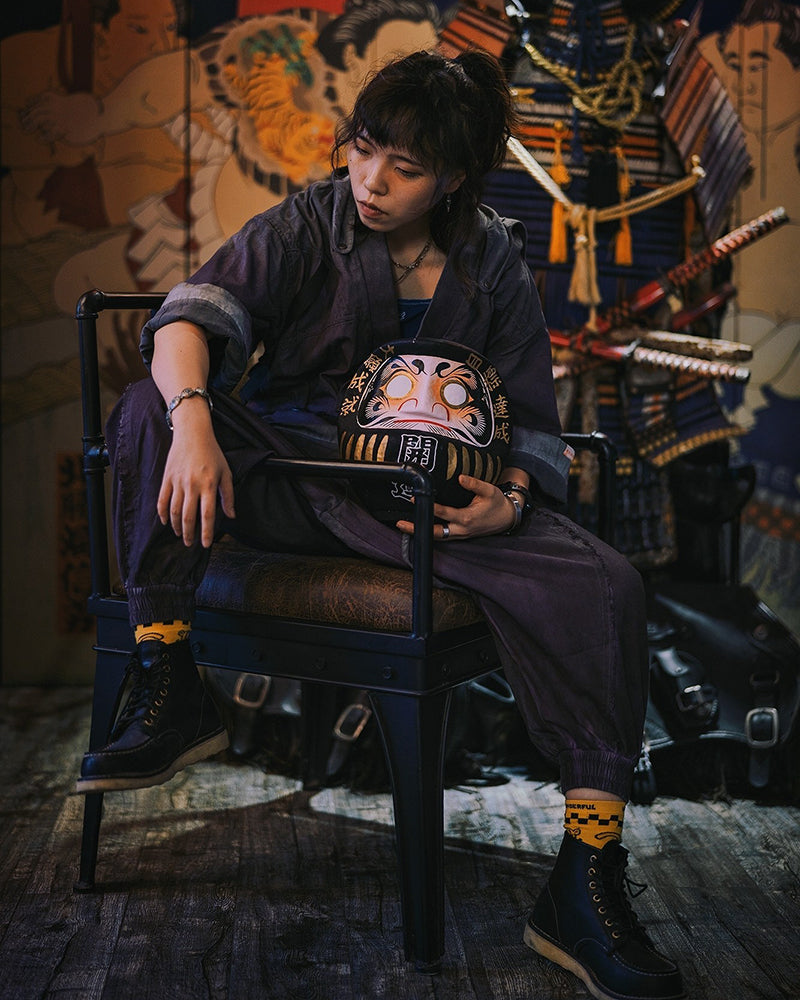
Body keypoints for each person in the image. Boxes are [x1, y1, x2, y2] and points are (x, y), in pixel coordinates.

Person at [76, 49, 685, 1000]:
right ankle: (167, 671)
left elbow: (530, 415)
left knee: (607, 582)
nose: (370, 181)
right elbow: (189, 317)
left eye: (404, 168)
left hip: (425, 508)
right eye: (363, 150)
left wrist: (509, 499)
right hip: (286, 479)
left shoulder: (491, 259)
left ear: (453, 178)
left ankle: (584, 876)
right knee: (145, 406)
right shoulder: (308, 223)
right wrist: (193, 421)